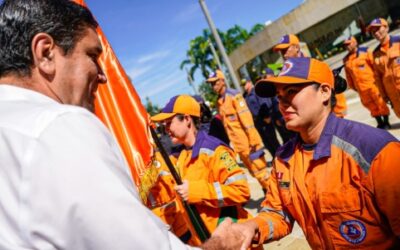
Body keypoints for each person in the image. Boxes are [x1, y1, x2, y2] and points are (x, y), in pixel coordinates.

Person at [0, 0, 242, 249]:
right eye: (92, 55)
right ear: (45, 53)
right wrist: (223, 244)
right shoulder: (59, 126)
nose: (102, 75)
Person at [231, 57, 400, 249]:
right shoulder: (284, 158)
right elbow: (279, 213)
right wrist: (253, 227)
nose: (282, 102)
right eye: (279, 96)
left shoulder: (374, 150)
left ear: (324, 92)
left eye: (292, 91)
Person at [151, 95, 254, 235]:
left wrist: (194, 191)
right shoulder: (182, 156)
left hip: (234, 239)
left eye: (169, 122)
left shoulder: (214, 150)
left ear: (187, 119)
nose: (166, 129)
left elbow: (242, 191)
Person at [206, 70, 270, 189]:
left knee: (262, 172)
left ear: (222, 81)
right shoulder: (219, 102)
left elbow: (247, 121)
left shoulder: (234, 96)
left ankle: (277, 199)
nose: (213, 86)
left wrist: (254, 142)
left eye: (215, 83)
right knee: (254, 173)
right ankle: (269, 195)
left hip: (249, 144)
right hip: (239, 146)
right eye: (211, 84)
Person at [273, 34, 348, 118]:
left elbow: (331, 87)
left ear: (297, 48)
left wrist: (339, 113)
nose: (283, 54)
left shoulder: (312, 65)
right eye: (281, 51)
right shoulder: (285, 71)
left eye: (285, 49)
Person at [342, 36, 391, 129]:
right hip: (361, 89)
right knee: (370, 105)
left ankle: (386, 122)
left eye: (349, 44)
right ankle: (379, 122)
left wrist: (379, 82)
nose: (347, 47)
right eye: (345, 45)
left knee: (380, 103)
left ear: (355, 43)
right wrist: (353, 87)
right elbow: (348, 75)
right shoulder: (346, 60)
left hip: (373, 85)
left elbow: (375, 67)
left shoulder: (366, 52)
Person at [368, 17, 400, 118]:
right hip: (394, 97)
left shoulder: (398, 42)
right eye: (373, 32)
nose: (376, 33)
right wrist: (384, 95)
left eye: (377, 29)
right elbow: (378, 77)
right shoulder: (375, 53)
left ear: (386, 28)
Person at [241, 76, 280, 157]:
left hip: (264, 120)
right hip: (256, 122)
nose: (244, 86)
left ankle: (281, 156)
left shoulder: (256, 91)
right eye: (242, 85)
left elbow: (264, 103)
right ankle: (274, 157)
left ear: (249, 82)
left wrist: (267, 116)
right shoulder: (245, 96)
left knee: (273, 141)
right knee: (266, 142)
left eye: (245, 84)